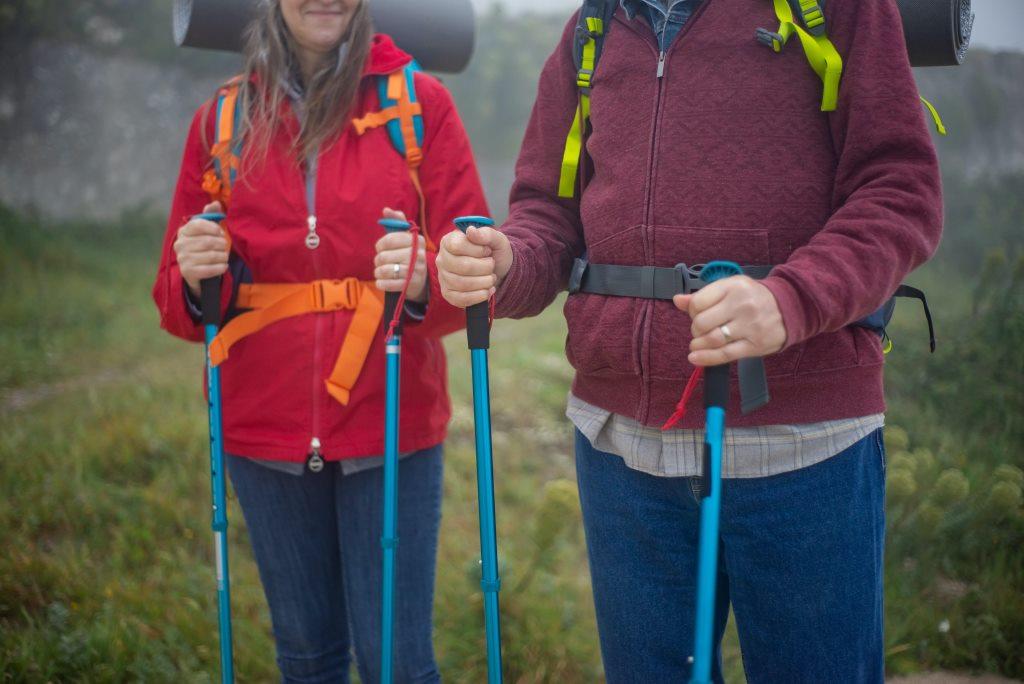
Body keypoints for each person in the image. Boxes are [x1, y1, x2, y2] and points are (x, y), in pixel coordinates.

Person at [436, 0, 942, 681]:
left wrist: (789, 300)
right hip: (620, 449)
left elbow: (900, 189)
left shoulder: (839, 8)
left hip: (802, 444)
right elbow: (547, 214)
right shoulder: (592, 28)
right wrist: (506, 263)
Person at [153, 0, 487, 680]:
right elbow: (178, 305)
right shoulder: (221, 121)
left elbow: (474, 281)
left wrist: (427, 274)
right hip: (262, 430)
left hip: (390, 419)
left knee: (395, 659)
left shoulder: (422, 106)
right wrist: (195, 275)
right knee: (305, 657)